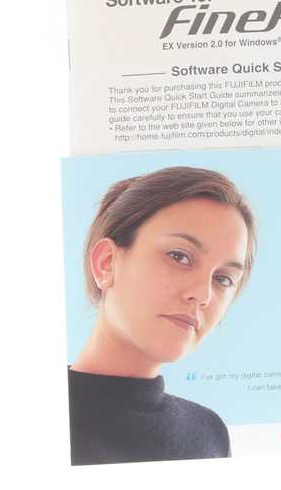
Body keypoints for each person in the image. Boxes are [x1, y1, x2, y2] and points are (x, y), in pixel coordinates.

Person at [68, 166, 257, 465]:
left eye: (223, 278)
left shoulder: (209, 433)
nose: (203, 295)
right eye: (179, 256)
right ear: (106, 263)